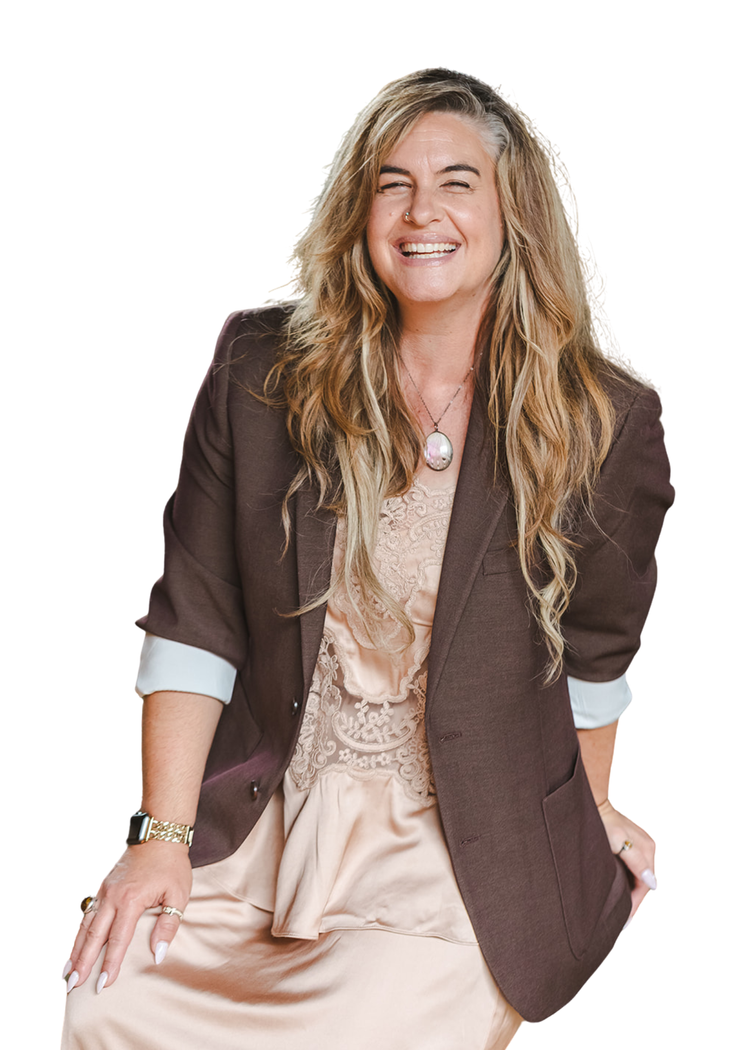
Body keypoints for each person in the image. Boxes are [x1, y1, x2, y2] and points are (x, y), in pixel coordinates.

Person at [61, 68, 673, 1049]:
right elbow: (196, 620)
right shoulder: (263, 374)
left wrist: (591, 811)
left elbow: (594, 651)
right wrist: (159, 841)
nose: (421, 210)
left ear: (513, 210)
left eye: (456, 182)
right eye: (392, 183)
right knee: (112, 1000)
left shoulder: (599, 421)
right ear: (361, 208)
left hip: (460, 853)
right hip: (267, 821)